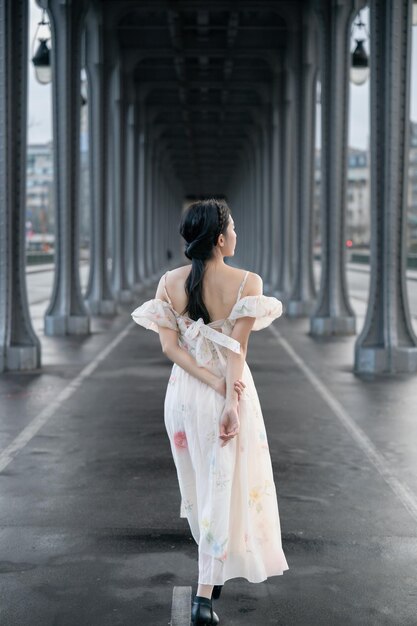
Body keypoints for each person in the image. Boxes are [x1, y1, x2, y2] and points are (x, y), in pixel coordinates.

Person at [131, 198, 289, 625]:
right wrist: (229, 398)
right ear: (220, 238)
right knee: (224, 486)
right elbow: (236, 350)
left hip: (184, 395)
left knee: (201, 485)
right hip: (227, 393)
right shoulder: (246, 283)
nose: (237, 233)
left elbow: (170, 347)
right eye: (232, 227)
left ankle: (213, 569)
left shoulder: (169, 282)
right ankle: (204, 596)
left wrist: (210, 382)